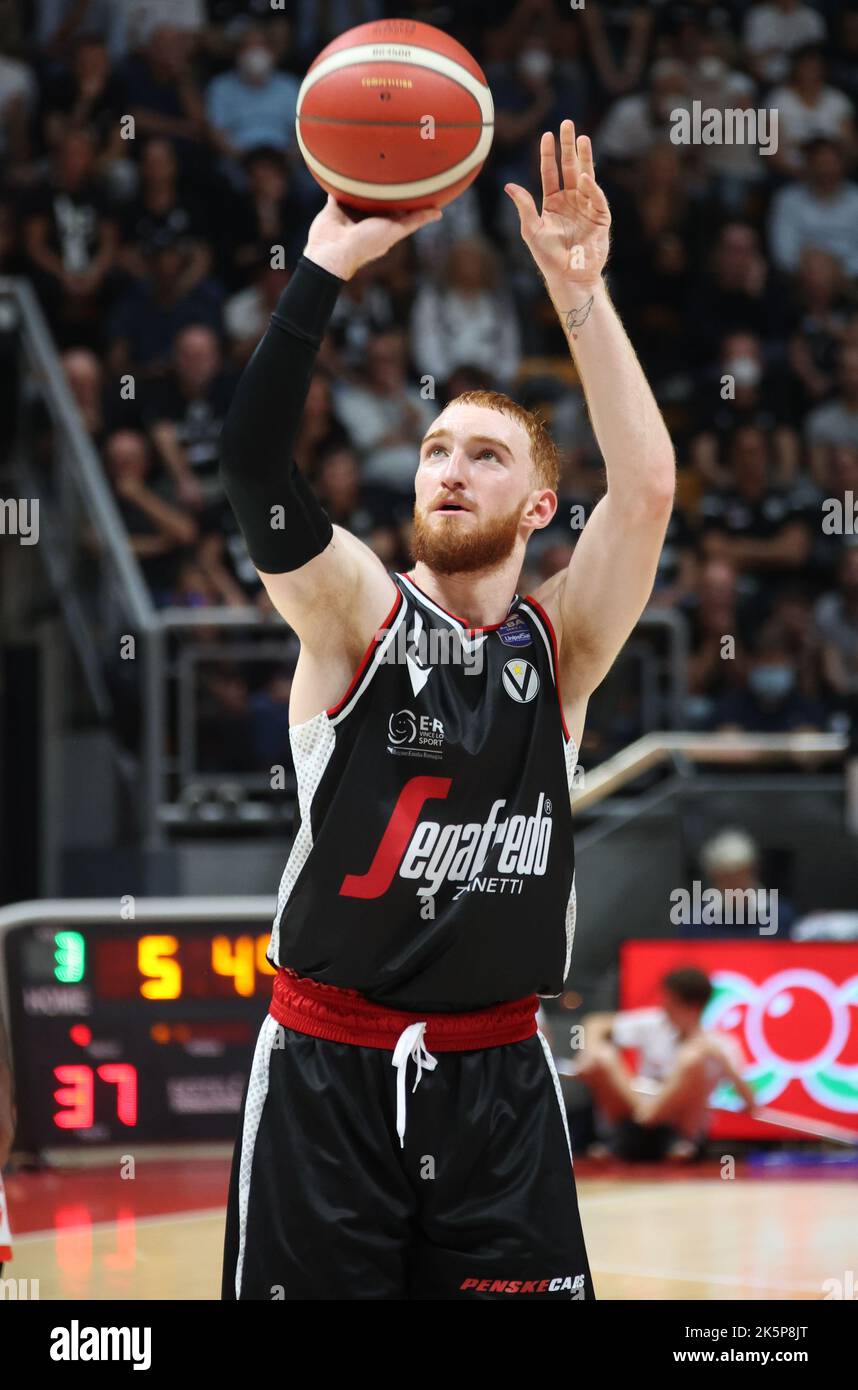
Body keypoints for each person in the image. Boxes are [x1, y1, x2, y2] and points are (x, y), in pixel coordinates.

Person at [219, 121, 675, 1301]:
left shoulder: (558, 646)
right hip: (331, 1075)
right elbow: (256, 467)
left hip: (501, 1082)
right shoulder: (355, 614)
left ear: (536, 508)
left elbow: (651, 488)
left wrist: (582, 294)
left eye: (484, 455)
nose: (449, 470)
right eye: (434, 449)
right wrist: (322, 265)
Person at [578, 967, 756, 1162]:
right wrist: (589, 1052)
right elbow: (596, 1023)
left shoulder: (720, 1044)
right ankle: (636, 1124)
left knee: (693, 1060)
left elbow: (750, 1104)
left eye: (670, 1001)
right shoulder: (654, 1023)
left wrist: (721, 1060)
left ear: (693, 1007)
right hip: (632, 1117)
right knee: (602, 1056)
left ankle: (664, 1130)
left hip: (680, 1129)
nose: (664, 1005)